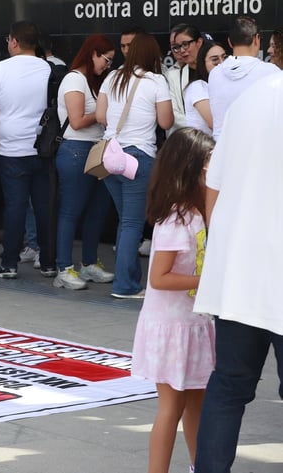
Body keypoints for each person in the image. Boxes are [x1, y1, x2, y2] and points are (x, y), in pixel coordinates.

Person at [192, 69, 283, 473]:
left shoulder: (250, 99)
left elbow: (215, 182)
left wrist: (221, 248)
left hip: (239, 272)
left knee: (228, 384)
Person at [130, 128, 216, 473]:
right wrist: (208, 280)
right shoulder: (176, 219)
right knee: (171, 407)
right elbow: (159, 278)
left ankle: (201, 466)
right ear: (191, 167)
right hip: (172, 327)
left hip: (195, 323)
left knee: (198, 403)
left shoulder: (197, 213)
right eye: (209, 163)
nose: (214, 170)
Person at [96, 34, 174, 298]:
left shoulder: (112, 77)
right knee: (131, 223)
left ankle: (127, 279)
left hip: (110, 157)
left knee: (125, 222)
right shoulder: (156, 81)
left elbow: (100, 117)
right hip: (137, 159)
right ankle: (125, 286)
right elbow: (165, 122)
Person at [0, 20, 55, 280]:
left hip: (10, 149)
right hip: (41, 150)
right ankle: (48, 262)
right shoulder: (48, 69)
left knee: (15, 207)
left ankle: (9, 263)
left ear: (13, 41)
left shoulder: (1, 69)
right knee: (44, 207)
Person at [53, 34, 117, 290]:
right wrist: (102, 114)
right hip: (76, 149)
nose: (107, 66)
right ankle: (64, 267)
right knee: (71, 211)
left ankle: (89, 263)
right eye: (106, 59)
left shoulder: (93, 82)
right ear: (93, 54)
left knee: (97, 211)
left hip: (97, 149)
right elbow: (77, 121)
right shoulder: (73, 79)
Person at [209, 16, 280, 141]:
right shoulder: (271, 72)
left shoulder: (215, 74)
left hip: (222, 150)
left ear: (230, 42)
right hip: (257, 150)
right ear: (257, 39)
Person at [182, 41, 227, 136]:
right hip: (202, 148)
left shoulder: (225, 86)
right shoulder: (198, 86)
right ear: (203, 64)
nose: (222, 63)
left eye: (224, 57)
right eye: (215, 60)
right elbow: (215, 123)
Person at [165, 23, 204, 132]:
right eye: (177, 47)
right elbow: (173, 113)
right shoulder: (173, 75)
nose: (182, 50)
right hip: (187, 138)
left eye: (185, 44)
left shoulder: (214, 71)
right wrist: (201, 127)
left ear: (199, 42)